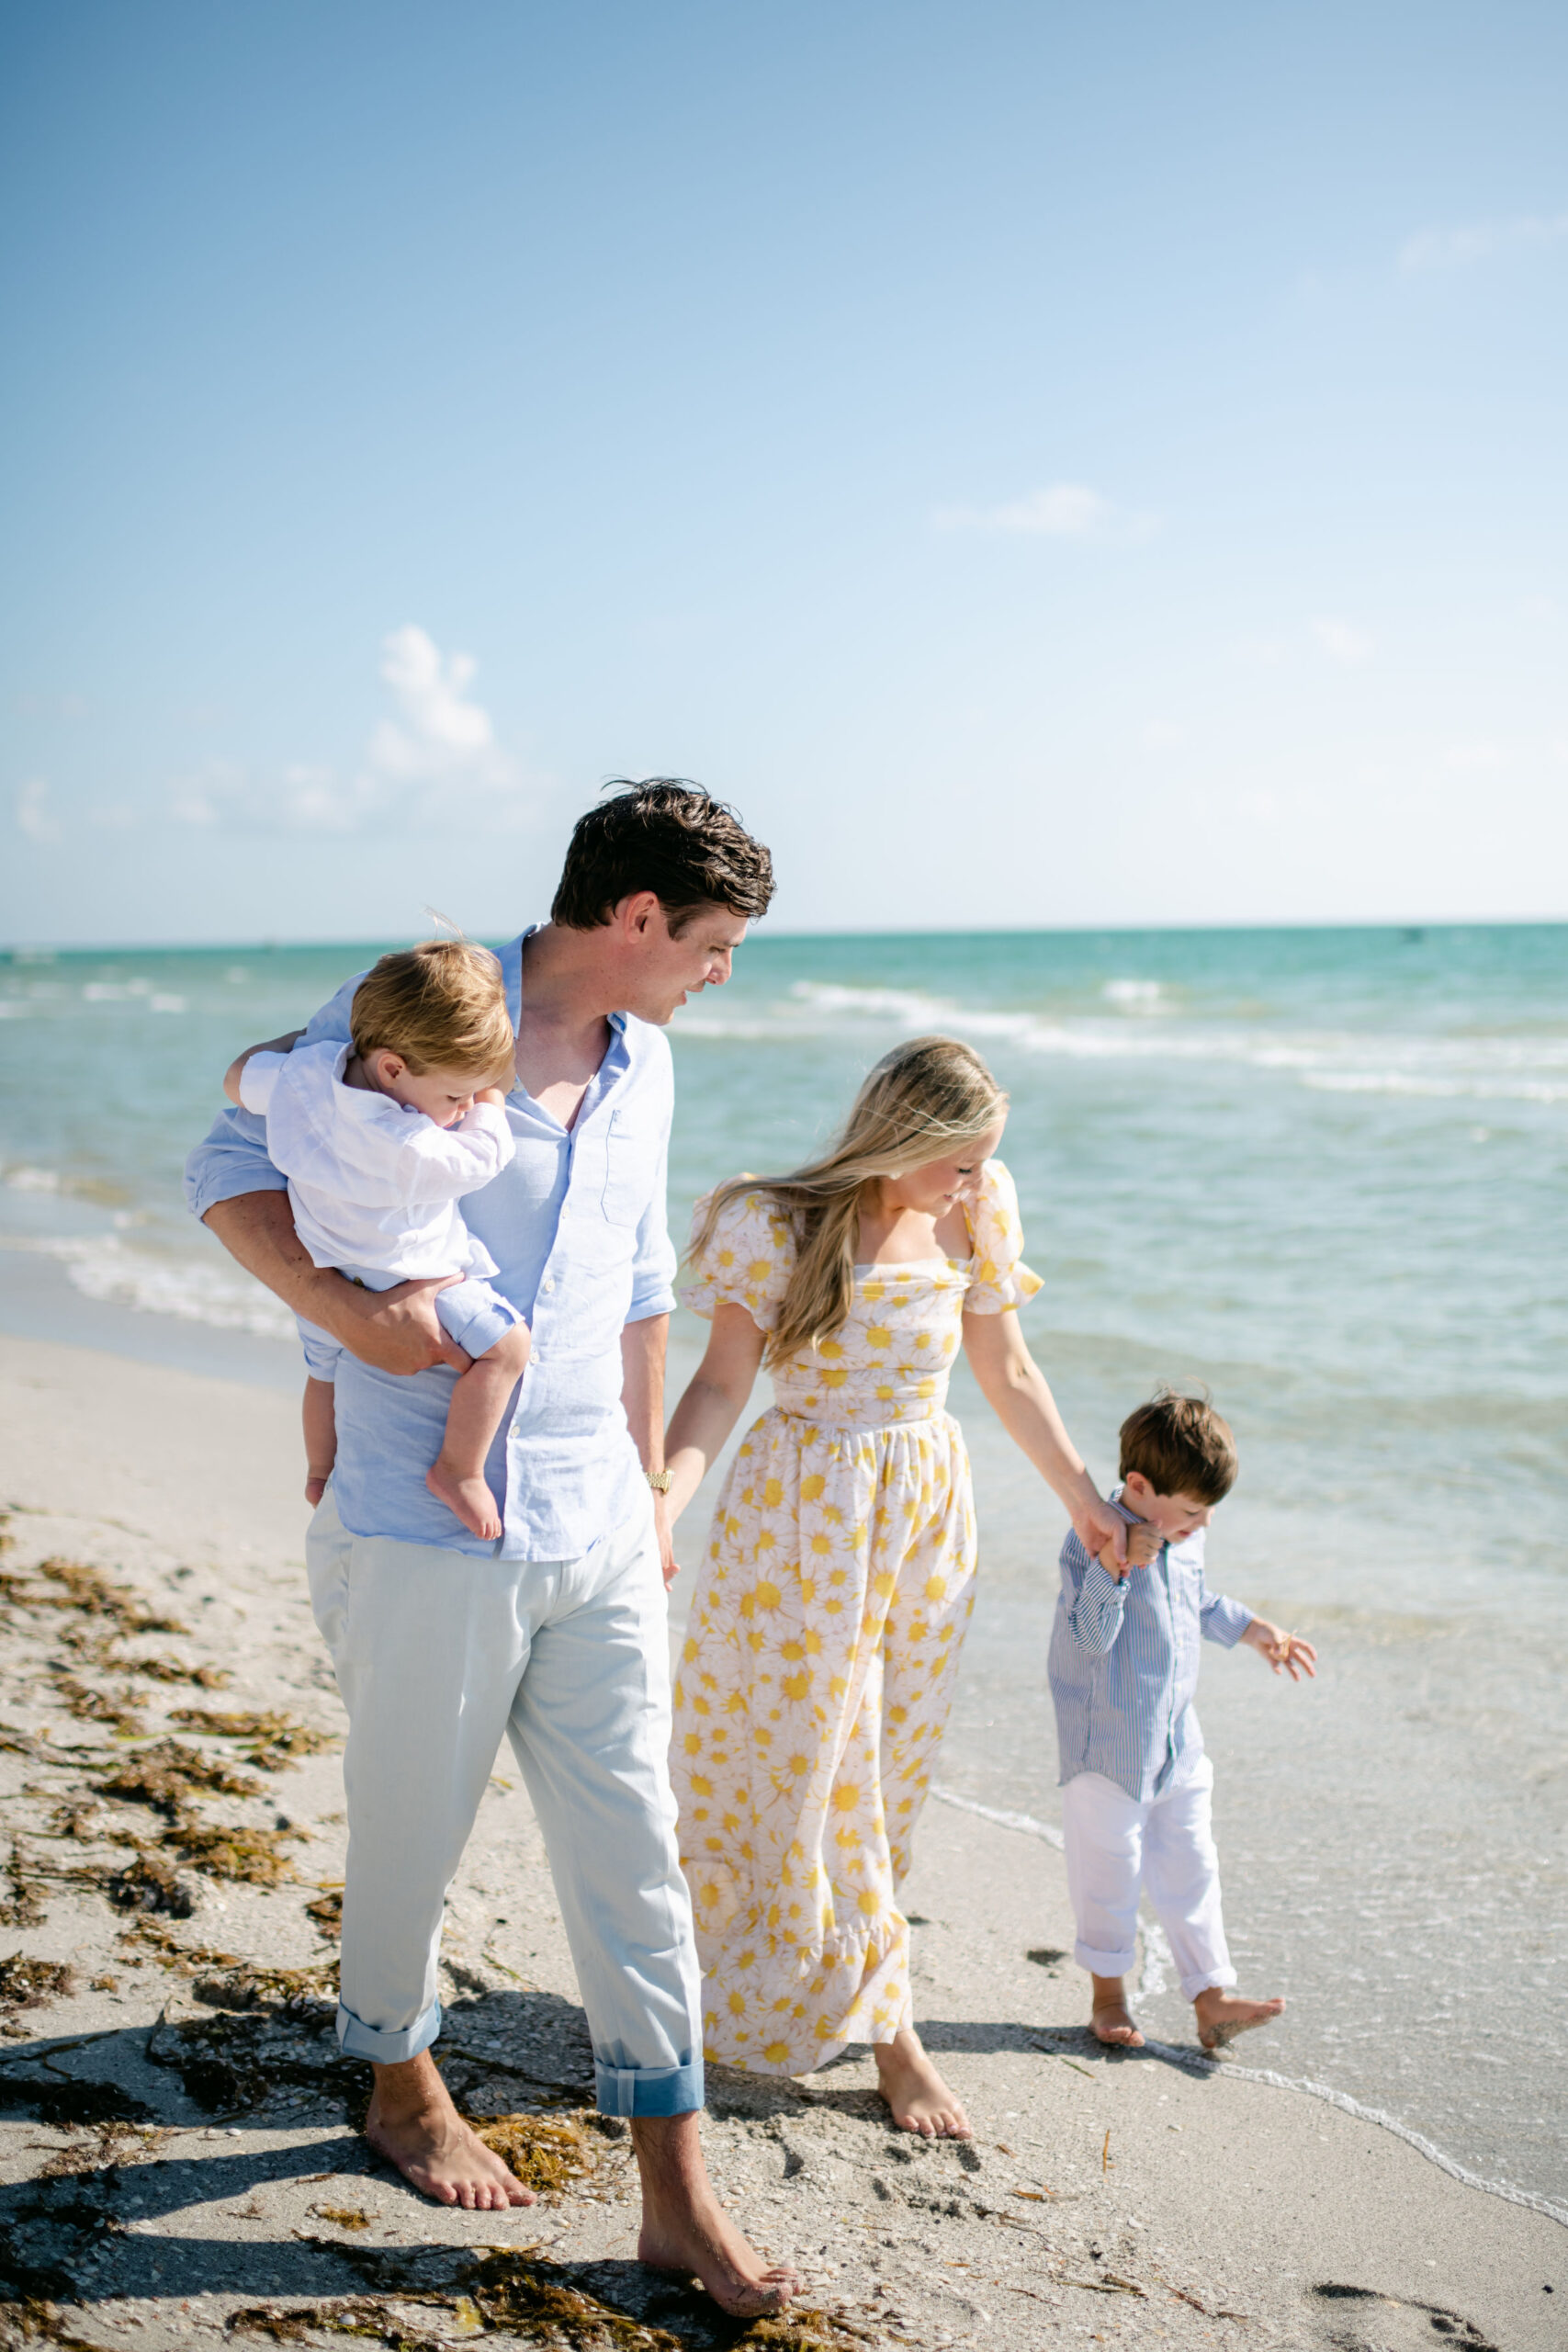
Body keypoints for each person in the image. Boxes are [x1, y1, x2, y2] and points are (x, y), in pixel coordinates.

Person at [184, 781, 796, 2319]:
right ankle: (395, 2076)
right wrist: (356, 1324)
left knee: (634, 1852)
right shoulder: (426, 1006)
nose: (718, 973)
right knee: (414, 1824)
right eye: (711, 944)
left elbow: (644, 1273)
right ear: (638, 917)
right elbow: (226, 1164)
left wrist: (658, 1493)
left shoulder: (645, 1063)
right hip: (419, 1520)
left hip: (597, 1519)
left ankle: (676, 2191)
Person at [660, 1035, 1127, 2139]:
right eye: (958, 1162)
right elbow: (722, 1381)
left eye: (981, 1164)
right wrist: (662, 1504)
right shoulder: (773, 1220)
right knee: (789, 1761)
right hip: (797, 1522)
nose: (973, 1182)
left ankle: (841, 1995)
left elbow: (1007, 1372)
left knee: (883, 1767)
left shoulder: (978, 1211)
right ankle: (890, 2035)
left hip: (921, 1516)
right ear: (902, 1138)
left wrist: (1084, 1501)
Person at [222, 938, 530, 1538]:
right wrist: (493, 1095)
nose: (462, 1107)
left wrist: (300, 1048)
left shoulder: (306, 1078)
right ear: (393, 1068)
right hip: (406, 1279)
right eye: (454, 1095)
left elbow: (237, 1079)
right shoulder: (413, 1149)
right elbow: (485, 1155)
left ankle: (318, 1471)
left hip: (326, 1270)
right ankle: (459, 1470)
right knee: (507, 1350)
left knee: (324, 1371)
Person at [1047, 1388, 1316, 2053]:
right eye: (1192, 1511)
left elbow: (1194, 1600)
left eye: (1208, 1512)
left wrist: (1251, 1628)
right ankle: (1107, 1997)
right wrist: (1116, 1566)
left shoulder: (1183, 1536)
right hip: (1105, 1751)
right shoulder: (1093, 1536)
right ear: (1138, 1487)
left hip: (1176, 1743)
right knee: (1109, 1873)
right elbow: (1085, 1636)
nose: (1201, 1523)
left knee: (1193, 1865)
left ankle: (1210, 1998)